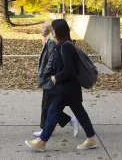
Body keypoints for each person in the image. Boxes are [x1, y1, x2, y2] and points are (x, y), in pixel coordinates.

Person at [25, 19, 98, 152]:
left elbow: (69, 69)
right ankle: (91, 139)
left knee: (52, 113)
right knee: (79, 113)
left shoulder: (66, 46)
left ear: (58, 31)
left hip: (65, 89)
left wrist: (55, 78)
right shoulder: (63, 44)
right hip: (70, 89)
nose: (51, 31)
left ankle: (41, 142)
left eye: (53, 29)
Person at [33, 21, 79, 138]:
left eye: (43, 28)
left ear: (49, 30)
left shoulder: (52, 43)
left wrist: (44, 74)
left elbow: (51, 61)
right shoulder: (47, 41)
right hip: (49, 77)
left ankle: (69, 121)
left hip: (50, 78)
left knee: (49, 106)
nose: (41, 30)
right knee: (47, 105)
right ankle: (46, 129)